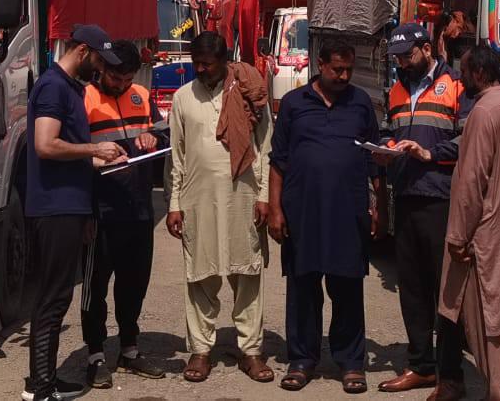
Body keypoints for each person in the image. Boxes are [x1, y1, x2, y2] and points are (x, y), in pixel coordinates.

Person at [23, 25, 128, 401]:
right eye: (99, 60)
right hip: (55, 207)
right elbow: (45, 144)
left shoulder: (71, 88)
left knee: (57, 295)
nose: (101, 69)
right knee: (52, 298)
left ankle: (43, 380)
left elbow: (67, 153)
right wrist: (94, 150)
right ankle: (41, 388)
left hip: (70, 205)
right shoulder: (53, 86)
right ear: (83, 51)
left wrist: (103, 160)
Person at [269, 42, 381, 394]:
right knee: (303, 287)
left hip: (348, 212)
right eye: (337, 70)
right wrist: (275, 209)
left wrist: (378, 206)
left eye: (348, 70)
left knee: (347, 288)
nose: (344, 76)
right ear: (320, 65)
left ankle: (350, 362)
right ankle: (302, 360)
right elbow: (278, 160)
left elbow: (374, 157)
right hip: (302, 211)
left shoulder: (360, 102)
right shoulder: (294, 103)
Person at [166, 32, 277, 384]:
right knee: (200, 276)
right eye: (196, 63)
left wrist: (264, 196)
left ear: (224, 62)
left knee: (248, 275)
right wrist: (174, 204)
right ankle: (201, 351)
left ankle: (251, 351)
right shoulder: (183, 97)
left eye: (207, 64)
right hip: (198, 200)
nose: (200, 69)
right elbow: (177, 156)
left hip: (244, 197)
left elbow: (265, 146)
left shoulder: (250, 94)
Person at [374, 23, 470, 398]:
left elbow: (469, 138)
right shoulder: (397, 88)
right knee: (412, 288)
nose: (401, 62)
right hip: (406, 196)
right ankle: (421, 366)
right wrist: (386, 148)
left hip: (441, 199)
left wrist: (431, 153)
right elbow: (387, 129)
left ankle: (451, 376)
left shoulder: (457, 84)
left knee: (444, 291)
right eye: (397, 57)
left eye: (407, 55)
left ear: (427, 49)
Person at [439, 46, 500, 401]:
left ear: (479, 73)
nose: (460, 80)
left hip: (482, 235)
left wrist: (457, 237)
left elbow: (471, 181)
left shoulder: (483, 112)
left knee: (487, 319)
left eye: (464, 72)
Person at [80, 41, 168, 388]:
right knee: (95, 286)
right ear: (102, 68)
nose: (121, 84)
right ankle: (95, 355)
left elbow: (164, 133)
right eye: (116, 78)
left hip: (139, 209)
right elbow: (73, 151)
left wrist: (152, 138)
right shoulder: (84, 98)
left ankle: (129, 349)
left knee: (134, 283)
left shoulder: (141, 96)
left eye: (128, 78)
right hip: (101, 210)